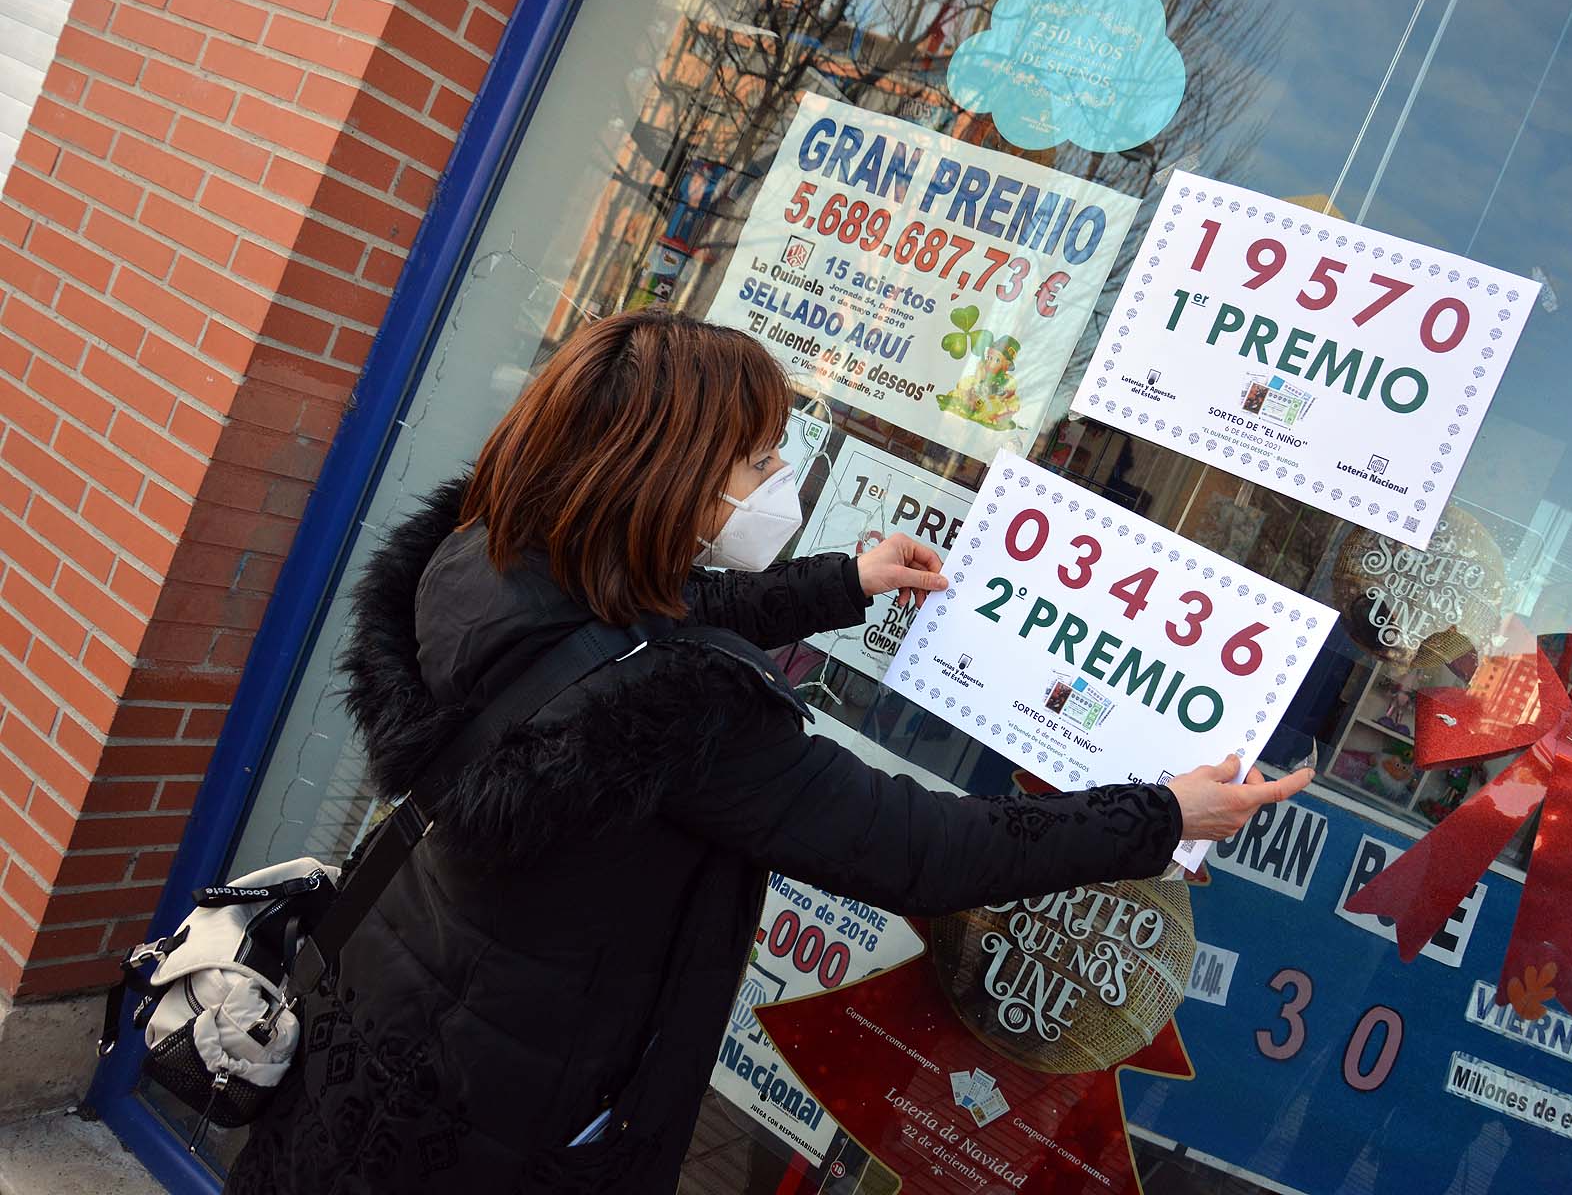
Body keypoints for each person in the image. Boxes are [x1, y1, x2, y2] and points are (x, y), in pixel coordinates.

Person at [225, 310, 1312, 1194]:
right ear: (668, 478)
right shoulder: (680, 715)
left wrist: (845, 582)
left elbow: (653, 612)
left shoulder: (482, 559)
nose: (780, 471)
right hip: (505, 1125)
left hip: (370, 1029)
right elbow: (926, 848)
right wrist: (1162, 816)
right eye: (756, 457)